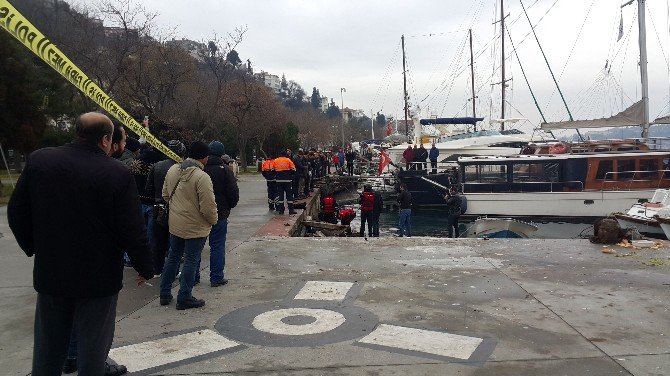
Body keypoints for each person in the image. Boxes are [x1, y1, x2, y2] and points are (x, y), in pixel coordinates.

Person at [8, 112, 153, 376]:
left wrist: (35, 246)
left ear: (77, 132)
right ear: (106, 139)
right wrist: (145, 266)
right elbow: (132, 230)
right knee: (93, 352)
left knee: (47, 351)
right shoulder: (117, 173)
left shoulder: (41, 160)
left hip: (51, 272)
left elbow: (17, 211)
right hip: (99, 278)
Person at [159, 141, 218, 310]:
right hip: (195, 227)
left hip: (175, 224)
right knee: (191, 260)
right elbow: (208, 206)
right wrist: (213, 221)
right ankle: (184, 296)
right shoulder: (202, 177)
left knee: (173, 257)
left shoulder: (172, 170)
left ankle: (164, 293)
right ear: (205, 157)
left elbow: (165, 194)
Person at [196, 141, 240, 287]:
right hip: (220, 213)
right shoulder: (225, 170)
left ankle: (194, 276)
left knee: (196, 247)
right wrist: (229, 206)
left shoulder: (200, 169)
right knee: (217, 246)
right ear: (222, 154)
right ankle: (216, 277)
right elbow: (233, 192)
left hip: (200, 214)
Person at [145, 140, 186, 276]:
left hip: (158, 206)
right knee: (174, 242)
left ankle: (157, 269)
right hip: (176, 208)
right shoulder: (181, 168)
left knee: (158, 241)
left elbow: (148, 188)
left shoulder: (156, 166)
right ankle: (173, 271)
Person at [273, 150, 297, 215]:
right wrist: (290, 175)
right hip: (287, 180)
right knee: (289, 195)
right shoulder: (288, 160)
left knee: (280, 195)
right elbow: (294, 170)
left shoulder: (275, 160)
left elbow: (272, 170)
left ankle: (281, 210)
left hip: (279, 180)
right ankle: (291, 210)